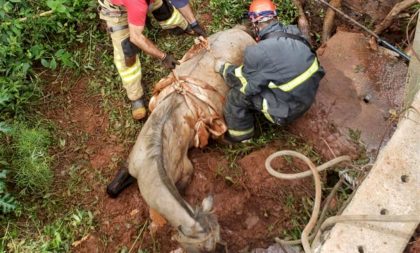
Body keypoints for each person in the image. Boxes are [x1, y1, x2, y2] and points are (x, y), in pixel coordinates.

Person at [214, 0, 325, 143]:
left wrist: (223, 68)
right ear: (275, 17)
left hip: (289, 111)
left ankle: (241, 136)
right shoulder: (294, 32)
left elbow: (243, 82)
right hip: (308, 95)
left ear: (255, 24)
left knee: (236, 96)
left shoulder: (258, 52)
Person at [98, 0, 206, 120]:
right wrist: (164, 57)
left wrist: (193, 23)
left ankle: (181, 26)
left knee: (164, 10)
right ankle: (136, 97)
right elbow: (136, 38)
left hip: (140, 4)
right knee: (127, 54)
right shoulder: (137, 3)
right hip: (118, 12)